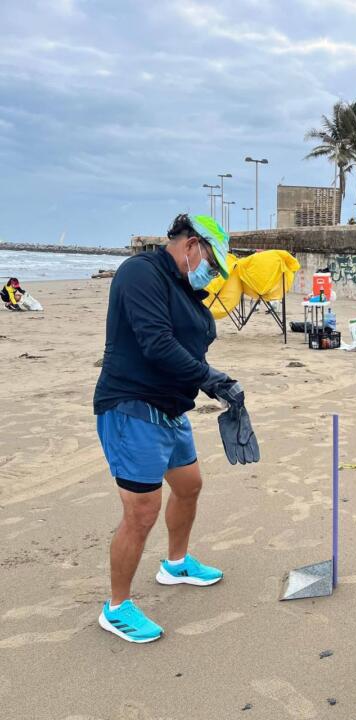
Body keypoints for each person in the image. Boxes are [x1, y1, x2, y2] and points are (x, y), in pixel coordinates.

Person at [93, 213, 249, 644]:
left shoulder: (183, 286)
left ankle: (175, 565)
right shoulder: (139, 274)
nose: (212, 274)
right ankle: (117, 607)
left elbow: (188, 340)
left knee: (189, 485)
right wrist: (211, 379)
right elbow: (156, 343)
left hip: (171, 410)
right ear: (191, 246)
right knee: (141, 512)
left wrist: (218, 385)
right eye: (211, 264)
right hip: (132, 409)